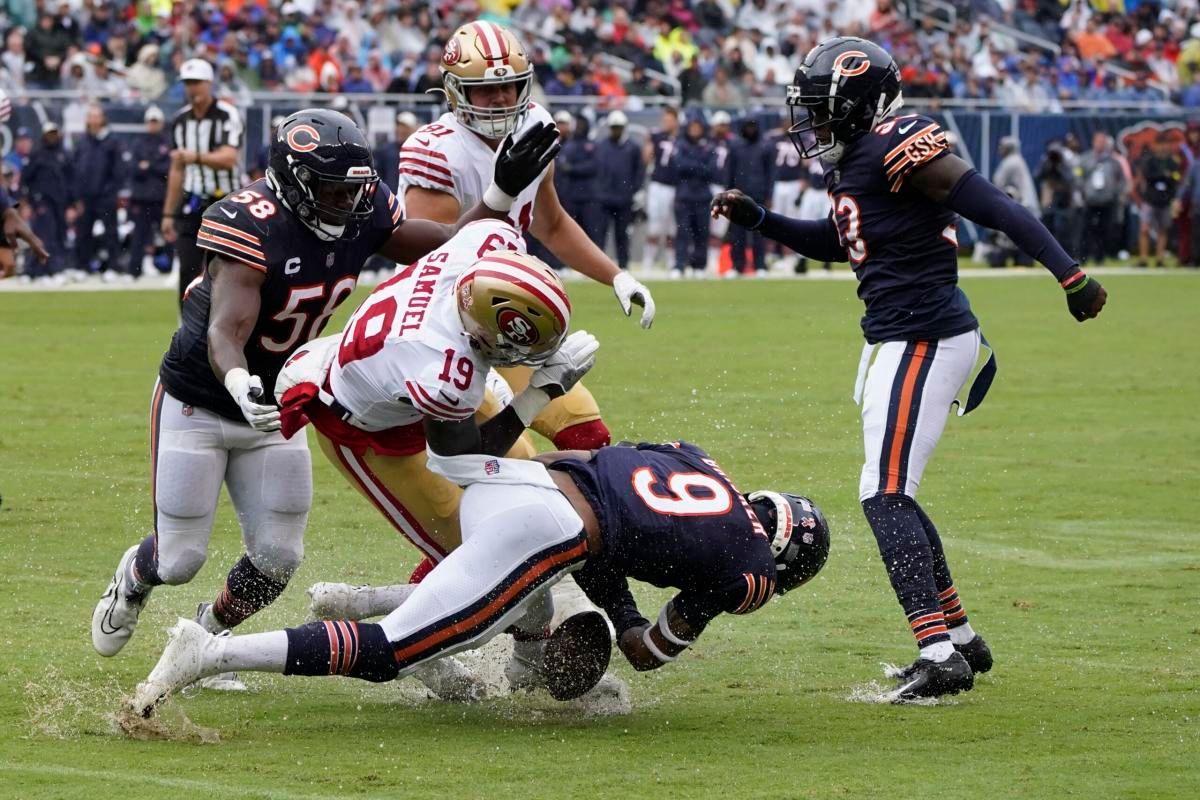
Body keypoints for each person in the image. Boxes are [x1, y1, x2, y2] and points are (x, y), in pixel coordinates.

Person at [89, 108, 561, 691]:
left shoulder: (361, 210)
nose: (347, 202)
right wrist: (238, 381)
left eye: (353, 188)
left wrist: (499, 191)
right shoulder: (249, 221)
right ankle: (134, 580)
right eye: (333, 191)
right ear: (294, 184)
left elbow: (446, 246)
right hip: (202, 397)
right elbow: (225, 331)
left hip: (281, 399)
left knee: (278, 556)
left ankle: (210, 633)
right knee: (179, 559)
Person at [713, 37, 1107, 701]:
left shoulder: (900, 143)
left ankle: (938, 652)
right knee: (896, 490)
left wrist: (1069, 272)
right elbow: (843, 240)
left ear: (857, 103)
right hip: (905, 338)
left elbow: (992, 204)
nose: (811, 121)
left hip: (923, 336)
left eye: (819, 107)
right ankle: (960, 639)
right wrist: (761, 219)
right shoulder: (860, 159)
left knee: (884, 494)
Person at [128, 440, 830, 719]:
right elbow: (646, 651)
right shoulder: (751, 573)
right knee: (394, 651)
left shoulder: (697, 460)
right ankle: (210, 652)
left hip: (514, 477)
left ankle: (375, 603)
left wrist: (605, 599)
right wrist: (624, 627)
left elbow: (611, 501)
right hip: (549, 528)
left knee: (512, 601)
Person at [396, 22, 655, 576]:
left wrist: (615, 276)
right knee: (497, 474)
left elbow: (551, 221)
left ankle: (585, 574)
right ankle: (434, 597)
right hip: (446, 335)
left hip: (509, 322)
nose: (501, 99)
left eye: (511, 86)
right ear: (453, 92)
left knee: (589, 438)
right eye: (486, 90)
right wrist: (498, 194)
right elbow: (427, 258)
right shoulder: (434, 151)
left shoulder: (535, 126)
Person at [161, 59, 244, 307]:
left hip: (226, 203)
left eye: (196, 82)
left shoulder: (227, 114)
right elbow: (177, 170)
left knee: (228, 270)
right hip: (194, 202)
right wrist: (168, 213)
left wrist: (195, 157)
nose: (192, 88)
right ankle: (187, 331)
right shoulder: (180, 120)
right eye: (187, 83)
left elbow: (229, 158)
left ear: (209, 83)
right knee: (187, 269)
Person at [72, 103, 123, 277]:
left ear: (103, 119)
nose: (93, 119)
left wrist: (110, 192)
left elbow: (118, 170)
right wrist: (77, 196)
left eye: (96, 115)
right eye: (90, 116)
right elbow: (76, 170)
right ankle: (82, 267)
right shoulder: (82, 142)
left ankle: (113, 267)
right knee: (83, 233)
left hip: (105, 196)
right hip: (85, 197)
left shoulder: (111, 141)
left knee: (110, 232)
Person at [124, 106, 173, 278]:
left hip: (161, 197)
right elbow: (132, 168)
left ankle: (169, 267)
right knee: (139, 235)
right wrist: (153, 167)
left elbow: (168, 169)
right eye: (150, 122)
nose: (153, 125)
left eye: (155, 122)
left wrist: (149, 166)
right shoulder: (138, 142)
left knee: (168, 233)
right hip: (142, 197)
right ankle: (134, 270)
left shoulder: (167, 142)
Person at [593, 110, 644, 271]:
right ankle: (599, 265)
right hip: (605, 197)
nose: (616, 130)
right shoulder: (602, 146)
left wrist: (635, 190)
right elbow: (597, 171)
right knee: (600, 233)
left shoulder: (633, 148)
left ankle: (623, 264)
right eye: (614, 127)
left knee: (622, 234)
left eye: (619, 127)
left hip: (624, 198)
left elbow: (639, 171)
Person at [15, 121, 65, 281]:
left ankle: (35, 270)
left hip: (58, 202)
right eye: (49, 134)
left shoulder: (63, 154)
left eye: (54, 133)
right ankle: (51, 270)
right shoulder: (37, 154)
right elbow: (24, 180)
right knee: (45, 235)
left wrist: (72, 202)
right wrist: (24, 202)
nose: (51, 137)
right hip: (40, 201)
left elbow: (70, 179)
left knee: (54, 236)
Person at [725, 117, 773, 276]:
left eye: (753, 126)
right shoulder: (736, 146)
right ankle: (737, 266)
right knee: (737, 233)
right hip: (737, 196)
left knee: (759, 231)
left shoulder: (765, 146)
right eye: (748, 126)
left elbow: (770, 174)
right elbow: (729, 172)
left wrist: (769, 195)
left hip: (758, 195)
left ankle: (760, 265)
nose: (750, 130)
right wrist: (727, 193)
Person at [672, 114, 715, 278]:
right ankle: (680, 265)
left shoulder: (708, 145)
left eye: (697, 127)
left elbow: (711, 170)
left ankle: (699, 265)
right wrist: (698, 165)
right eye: (692, 127)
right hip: (685, 195)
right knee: (683, 232)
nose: (695, 130)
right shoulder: (681, 144)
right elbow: (679, 165)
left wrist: (692, 166)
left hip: (703, 196)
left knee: (702, 232)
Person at [1079, 132, 1128, 265]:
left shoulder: (1113, 161)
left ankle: (1099, 257)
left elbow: (1122, 179)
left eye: (1102, 141)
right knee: (1086, 229)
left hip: (1107, 201)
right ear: (1093, 142)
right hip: (1090, 200)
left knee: (1104, 229)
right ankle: (1083, 256)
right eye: (1098, 141)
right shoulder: (1086, 158)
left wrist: (1115, 193)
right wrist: (1082, 191)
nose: (1100, 144)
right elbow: (1078, 176)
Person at [1134, 132, 1183, 268]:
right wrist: (1163, 175)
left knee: (1163, 229)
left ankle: (1159, 258)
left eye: (1165, 144)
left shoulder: (1173, 161)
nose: (1163, 148)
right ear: (1155, 145)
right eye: (1160, 144)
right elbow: (1148, 176)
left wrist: (1165, 178)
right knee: (1144, 229)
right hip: (1150, 199)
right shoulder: (1149, 159)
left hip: (1165, 199)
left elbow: (1175, 179)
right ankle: (1143, 258)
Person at [641, 106, 679, 272]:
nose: (666, 123)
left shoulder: (681, 138)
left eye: (670, 120)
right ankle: (648, 261)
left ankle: (671, 262)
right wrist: (648, 143)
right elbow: (646, 159)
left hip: (675, 186)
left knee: (672, 227)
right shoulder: (657, 136)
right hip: (658, 185)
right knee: (654, 226)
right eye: (665, 120)